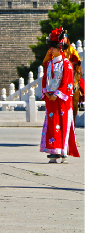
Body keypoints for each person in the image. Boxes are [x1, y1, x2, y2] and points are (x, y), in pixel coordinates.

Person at [40, 28, 80, 163]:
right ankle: (53, 151)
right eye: (51, 48)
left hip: (62, 99)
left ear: (59, 49)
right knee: (52, 124)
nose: (51, 50)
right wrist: (45, 92)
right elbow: (44, 79)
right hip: (50, 99)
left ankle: (63, 152)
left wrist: (57, 94)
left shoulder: (67, 64)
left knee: (62, 124)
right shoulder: (49, 64)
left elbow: (67, 82)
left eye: (53, 48)